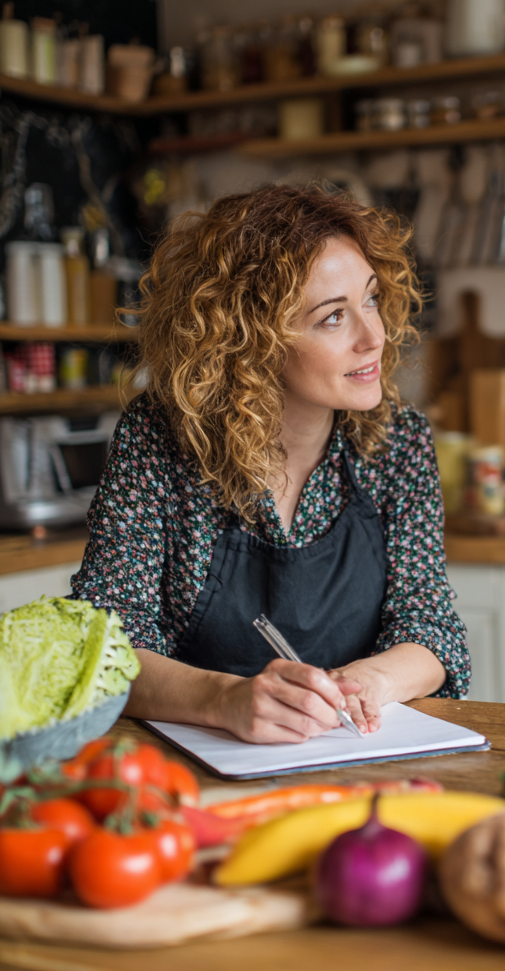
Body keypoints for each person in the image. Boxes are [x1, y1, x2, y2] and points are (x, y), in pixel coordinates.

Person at [71, 184, 469, 743]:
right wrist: (225, 699)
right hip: (189, 766)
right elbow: (102, 644)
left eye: (371, 299)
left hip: (356, 751)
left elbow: (431, 626)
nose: (373, 335)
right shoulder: (159, 438)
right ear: (250, 340)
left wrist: (367, 682)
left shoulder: (397, 442)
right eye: (333, 318)